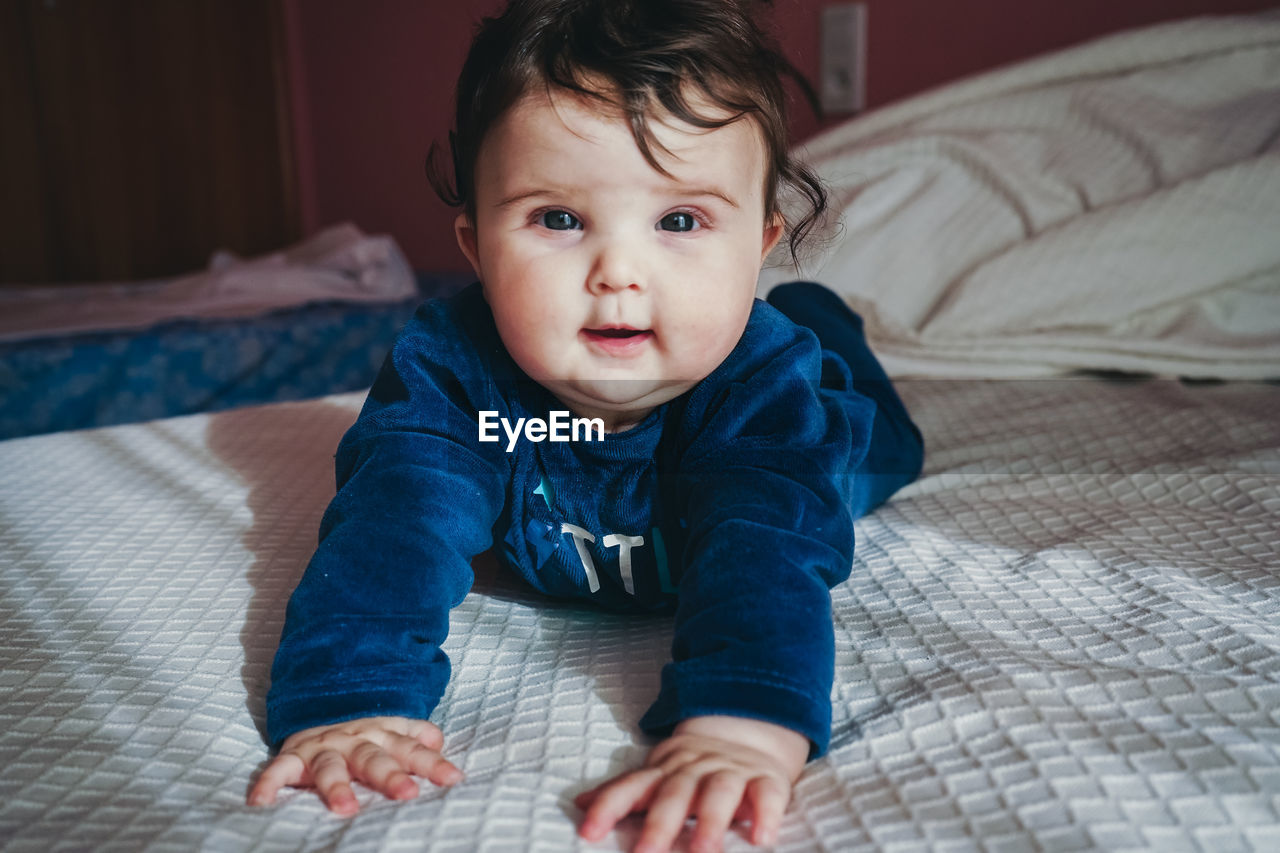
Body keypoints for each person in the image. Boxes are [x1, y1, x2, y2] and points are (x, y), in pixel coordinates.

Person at [248, 1, 924, 850]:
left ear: (759, 242)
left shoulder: (763, 389)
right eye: (558, 219)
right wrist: (352, 698)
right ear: (477, 246)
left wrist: (742, 721)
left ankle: (828, 329)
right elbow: (392, 525)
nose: (618, 273)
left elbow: (768, 548)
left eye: (680, 221)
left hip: (805, 428)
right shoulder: (452, 371)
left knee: (869, 448)